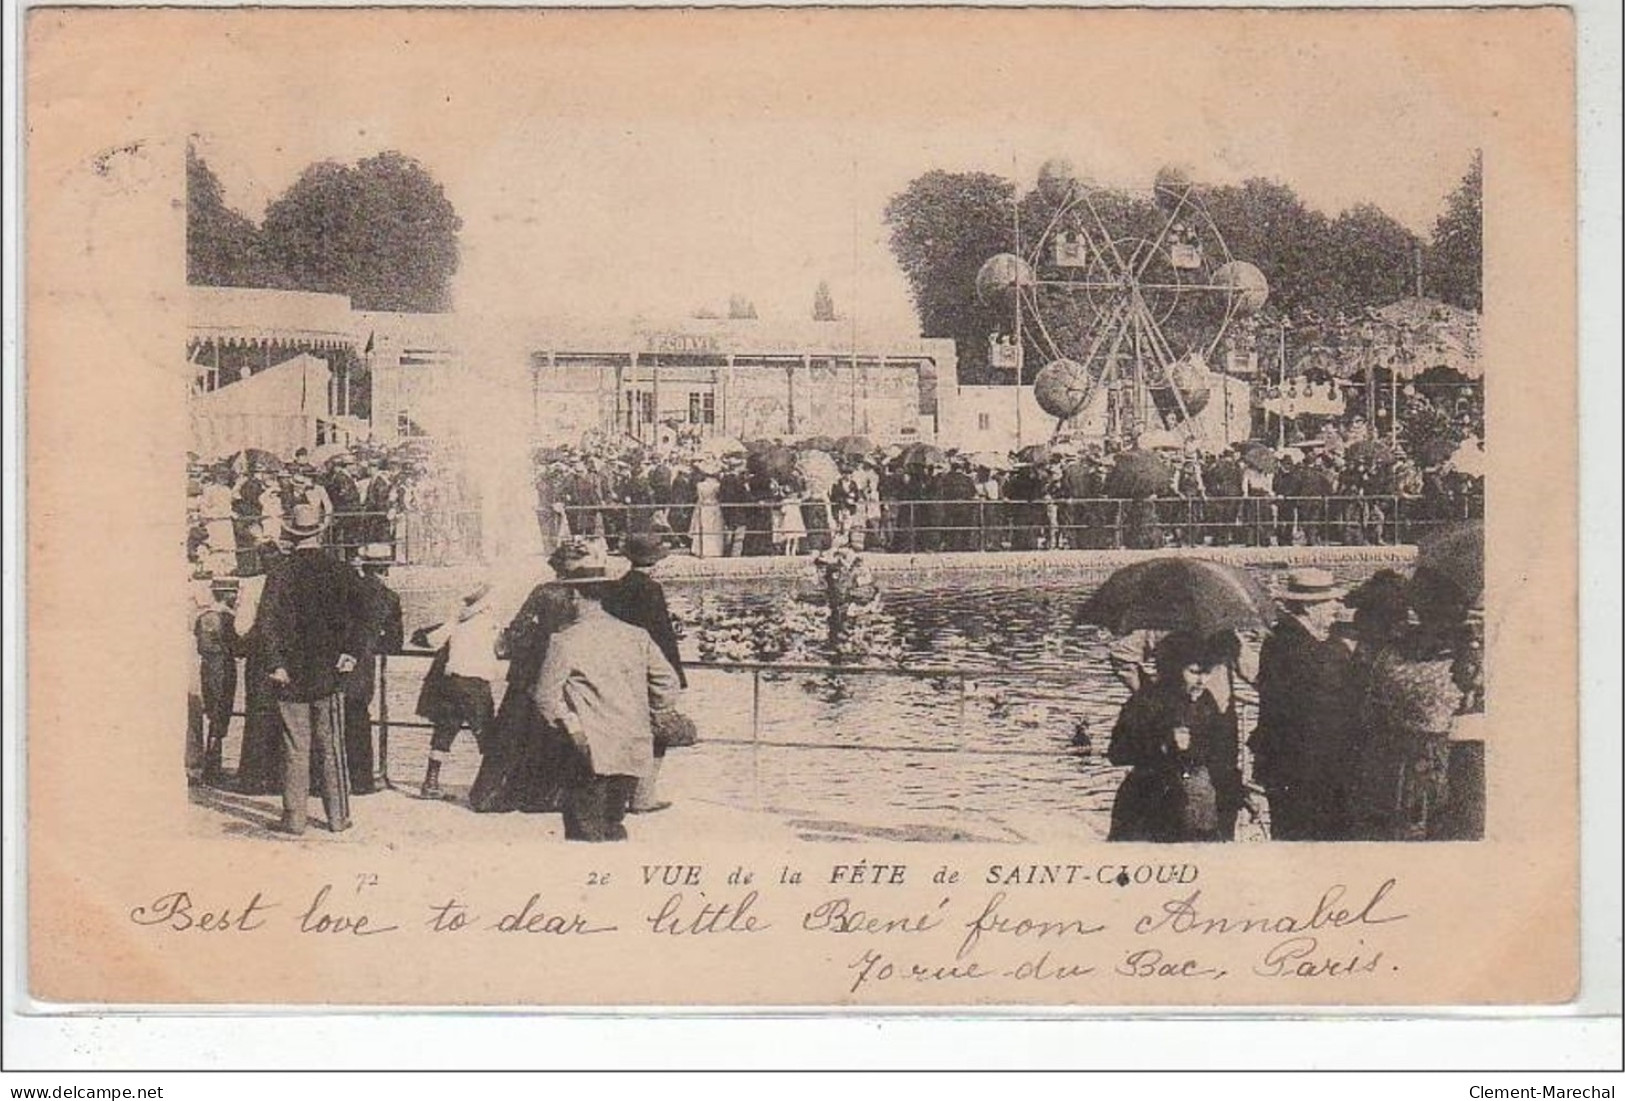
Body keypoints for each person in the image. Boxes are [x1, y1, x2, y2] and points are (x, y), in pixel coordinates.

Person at [534, 541, 684, 842]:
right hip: (632, 749)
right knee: (614, 827)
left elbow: (545, 698)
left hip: (589, 753)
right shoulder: (636, 636)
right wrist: (650, 715)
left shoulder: (564, 641)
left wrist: (573, 728)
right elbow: (668, 683)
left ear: (575, 595)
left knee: (584, 835)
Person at [256, 503, 370, 835]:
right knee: (331, 746)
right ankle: (337, 817)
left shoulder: (279, 572)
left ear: (292, 533)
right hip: (328, 673)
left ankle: (294, 819)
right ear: (320, 532)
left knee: (295, 747)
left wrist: (275, 662)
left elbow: (267, 623)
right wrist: (350, 652)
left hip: (289, 673)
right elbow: (366, 613)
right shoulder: (339, 570)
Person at [1349, 568, 1474, 841]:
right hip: (1449, 758)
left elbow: (1372, 710)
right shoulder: (1465, 656)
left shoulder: (1390, 655)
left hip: (1394, 762)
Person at [1248, 567, 1361, 840]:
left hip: (1298, 766)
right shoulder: (1297, 648)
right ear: (1310, 607)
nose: (1337, 606)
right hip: (1306, 769)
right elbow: (1316, 706)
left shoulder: (1290, 641)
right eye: (1330, 601)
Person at [467, 544, 580, 813]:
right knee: (556, 730)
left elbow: (518, 630)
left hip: (529, 671)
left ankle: (494, 793)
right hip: (567, 672)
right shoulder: (584, 596)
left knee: (513, 734)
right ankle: (545, 795)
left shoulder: (544, 592)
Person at [1106, 632, 1245, 842]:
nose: (1201, 681)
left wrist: (1238, 793)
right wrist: (1162, 743)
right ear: (1175, 668)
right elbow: (1117, 753)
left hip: (1195, 805)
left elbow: (1217, 755)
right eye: (1194, 672)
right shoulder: (1147, 702)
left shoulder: (1206, 702)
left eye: (1207, 673)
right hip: (1148, 804)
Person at [603, 533, 688, 814]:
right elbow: (662, 635)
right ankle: (643, 796)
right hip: (647, 668)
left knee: (625, 730)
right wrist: (675, 674)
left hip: (621, 668)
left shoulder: (616, 587)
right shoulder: (651, 589)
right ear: (654, 561)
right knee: (656, 732)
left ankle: (621, 794)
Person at [413, 581, 505, 800]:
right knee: (487, 736)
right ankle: (490, 789)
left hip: (450, 682)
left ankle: (431, 782)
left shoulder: (456, 623)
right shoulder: (491, 625)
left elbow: (425, 639)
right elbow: (503, 648)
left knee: (444, 732)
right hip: (475, 684)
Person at [344, 543, 404, 794]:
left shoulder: (347, 590)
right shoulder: (389, 598)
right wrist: (372, 643)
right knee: (359, 721)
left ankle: (324, 780)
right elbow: (395, 643)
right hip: (363, 666)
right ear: (386, 568)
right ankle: (362, 781)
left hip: (336, 662)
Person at [194, 579, 239, 787]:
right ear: (226, 594)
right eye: (234, 593)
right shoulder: (227, 619)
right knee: (221, 715)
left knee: (213, 714)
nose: (237, 598)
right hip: (224, 669)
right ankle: (213, 768)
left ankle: (210, 767)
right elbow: (237, 647)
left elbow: (200, 645)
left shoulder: (202, 618)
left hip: (208, 668)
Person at [688, 461, 726, 559]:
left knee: (704, 528)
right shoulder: (717, 485)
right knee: (714, 528)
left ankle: (702, 549)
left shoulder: (700, 485)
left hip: (704, 506)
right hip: (714, 507)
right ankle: (715, 550)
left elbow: (700, 498)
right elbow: (718, 497)